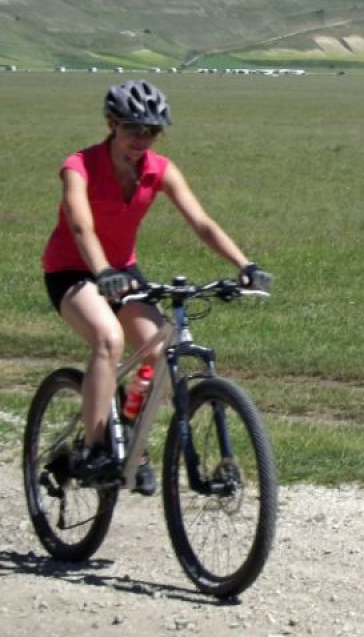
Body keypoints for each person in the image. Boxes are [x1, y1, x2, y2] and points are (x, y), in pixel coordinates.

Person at [42, 79, 271, 494]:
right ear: (112, 124)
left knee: (158, 349)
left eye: (151, 131)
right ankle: (95, 448)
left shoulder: (159, 170)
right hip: (72, 270)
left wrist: (244, 263)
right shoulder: (80, 165)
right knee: (108, 339)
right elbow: (80, 223)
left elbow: (202, 223)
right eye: (133, 128)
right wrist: (103, 269)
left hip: (122, 273)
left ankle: (131, 442)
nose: (141, 139)